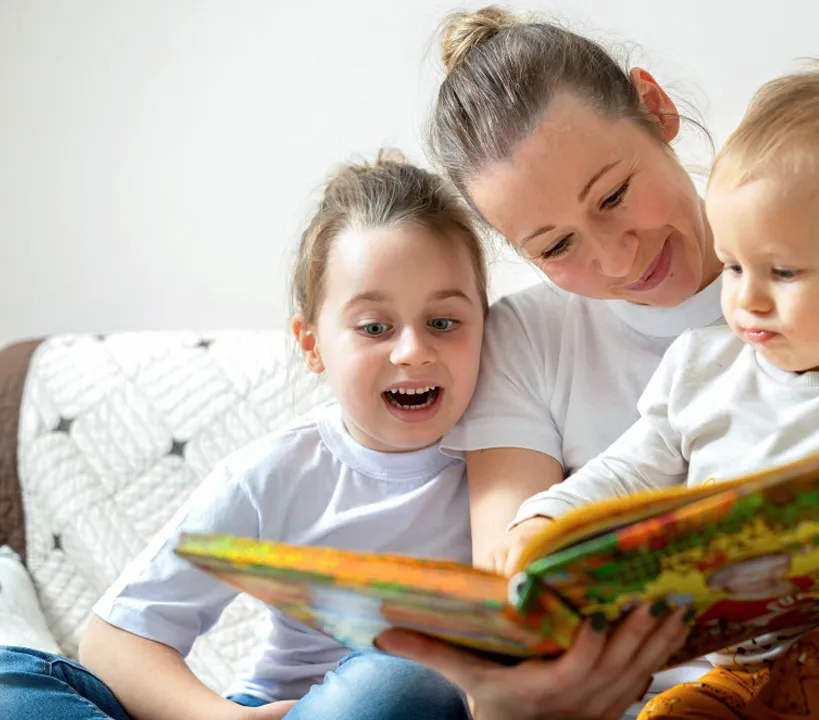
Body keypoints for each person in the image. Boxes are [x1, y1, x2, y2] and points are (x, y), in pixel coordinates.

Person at [376, 6, 819, 720]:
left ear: (656, 108)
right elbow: (502, 663)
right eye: (555, 247)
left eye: (615, 195)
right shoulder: (533, 344)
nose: (616, 256)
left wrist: (751, 581)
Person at [0, 151, 483, 720]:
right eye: (374, 327)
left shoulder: (512, 456)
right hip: (266, 711)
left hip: (393, 707)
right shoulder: (276, 473)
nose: (412, 351)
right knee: (12, 686)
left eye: (443, 323)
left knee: (398, 685)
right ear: (312, 345)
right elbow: (115, 641)